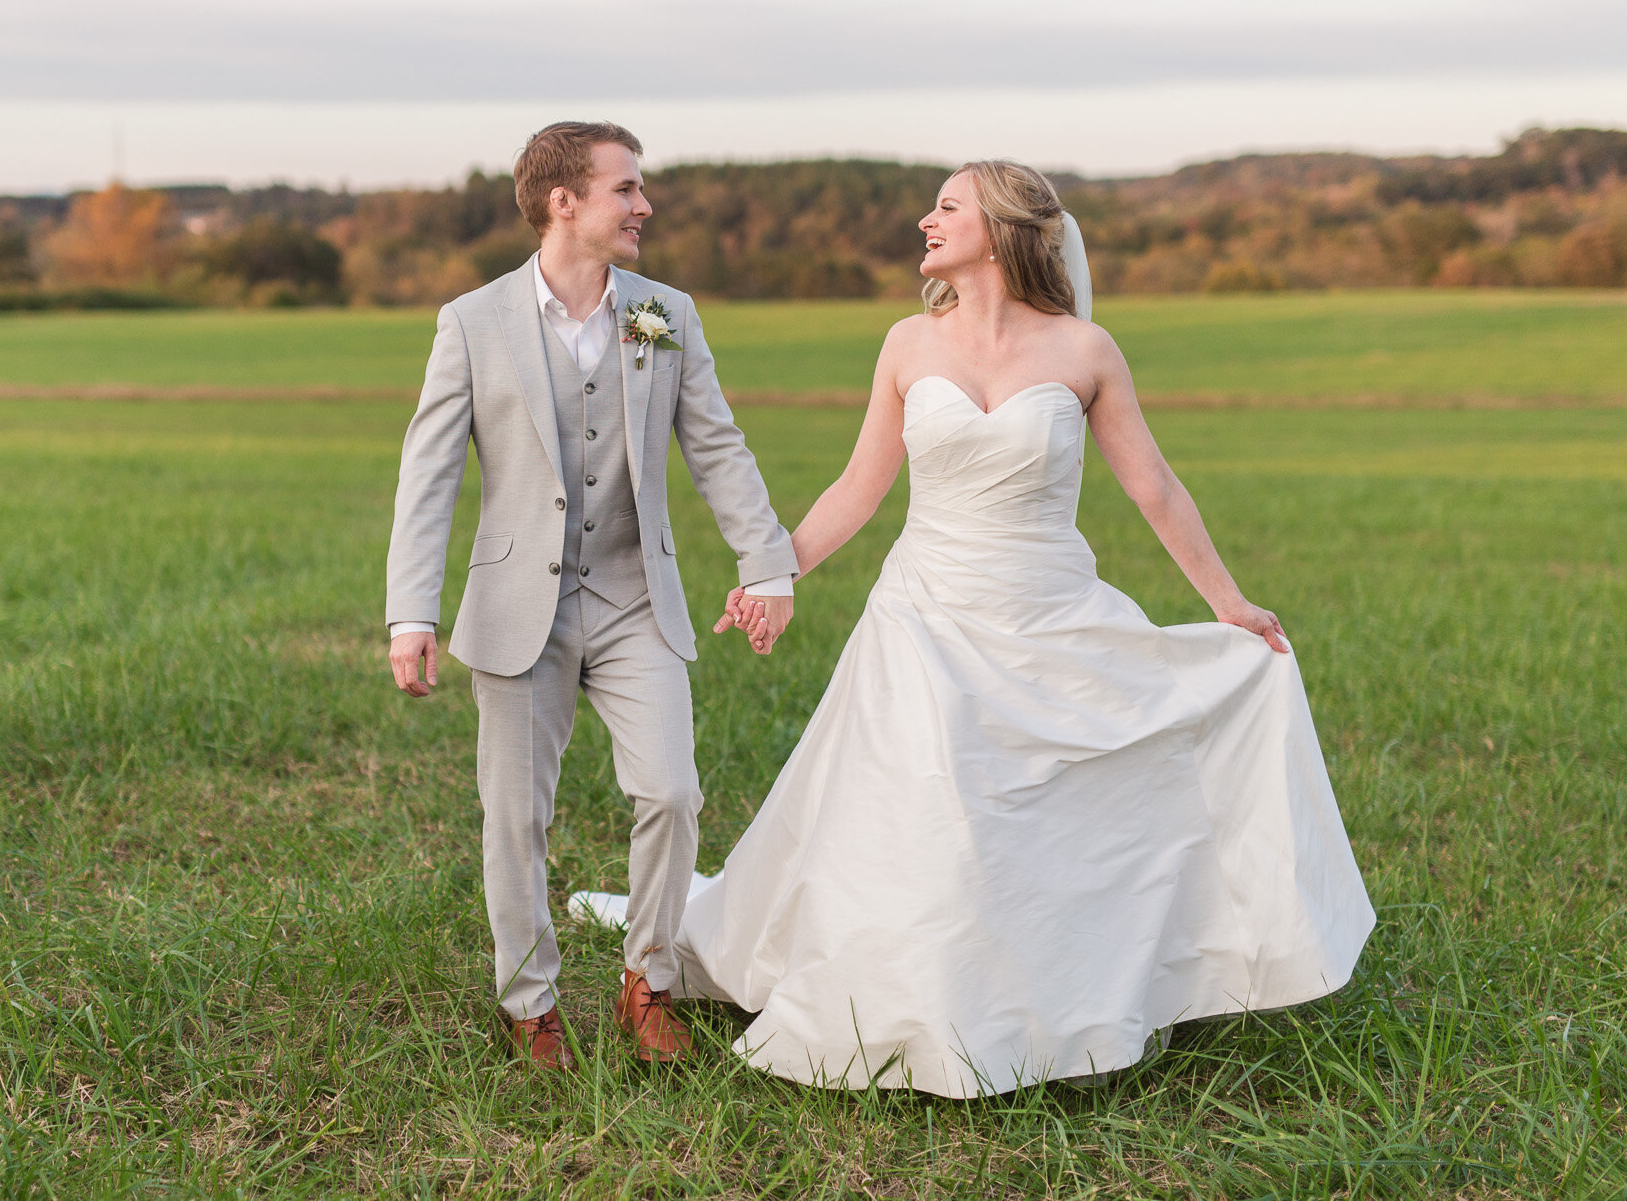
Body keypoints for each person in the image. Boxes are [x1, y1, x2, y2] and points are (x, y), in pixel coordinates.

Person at [575, 160, 1375, 1096]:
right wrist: (771, 569)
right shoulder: (909, 343)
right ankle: (916, 1009)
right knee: (933, 809)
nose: (925, 220)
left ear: (998, 227)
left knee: (1050, 810)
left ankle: (1059, 996)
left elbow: (1153, 486)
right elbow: (858, 487)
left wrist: (1229, 605)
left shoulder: (1086, 351)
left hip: (1050, 610)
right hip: (923, 613)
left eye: (946, 207)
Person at [385, 122, 801, 1070]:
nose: (643, 205)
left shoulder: (667, 313)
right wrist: (413, 610)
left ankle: (645, 981)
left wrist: (764, 563)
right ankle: (528, 1003)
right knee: (517, 814)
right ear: (563, 202)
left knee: (673, 791)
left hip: (633, 596)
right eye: (626, 188)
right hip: (512, 606)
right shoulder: (472, 321)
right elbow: (430, 473)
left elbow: (718, 446)